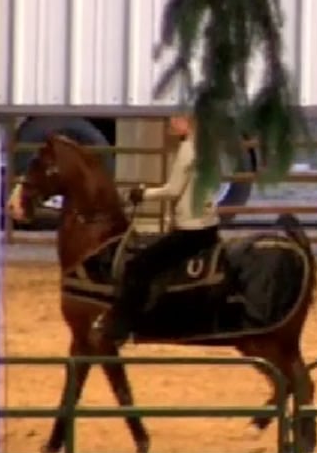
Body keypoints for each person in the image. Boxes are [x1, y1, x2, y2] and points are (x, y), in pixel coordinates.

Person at [95, 114, 223, 344]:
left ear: (189, 121)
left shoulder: (188, 150)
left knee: (139, 266)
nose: (170, 123)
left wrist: (143, 194)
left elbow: (173, 190)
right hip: (208, 225)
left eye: (176, 118)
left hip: (191, 230)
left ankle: (123, 326)